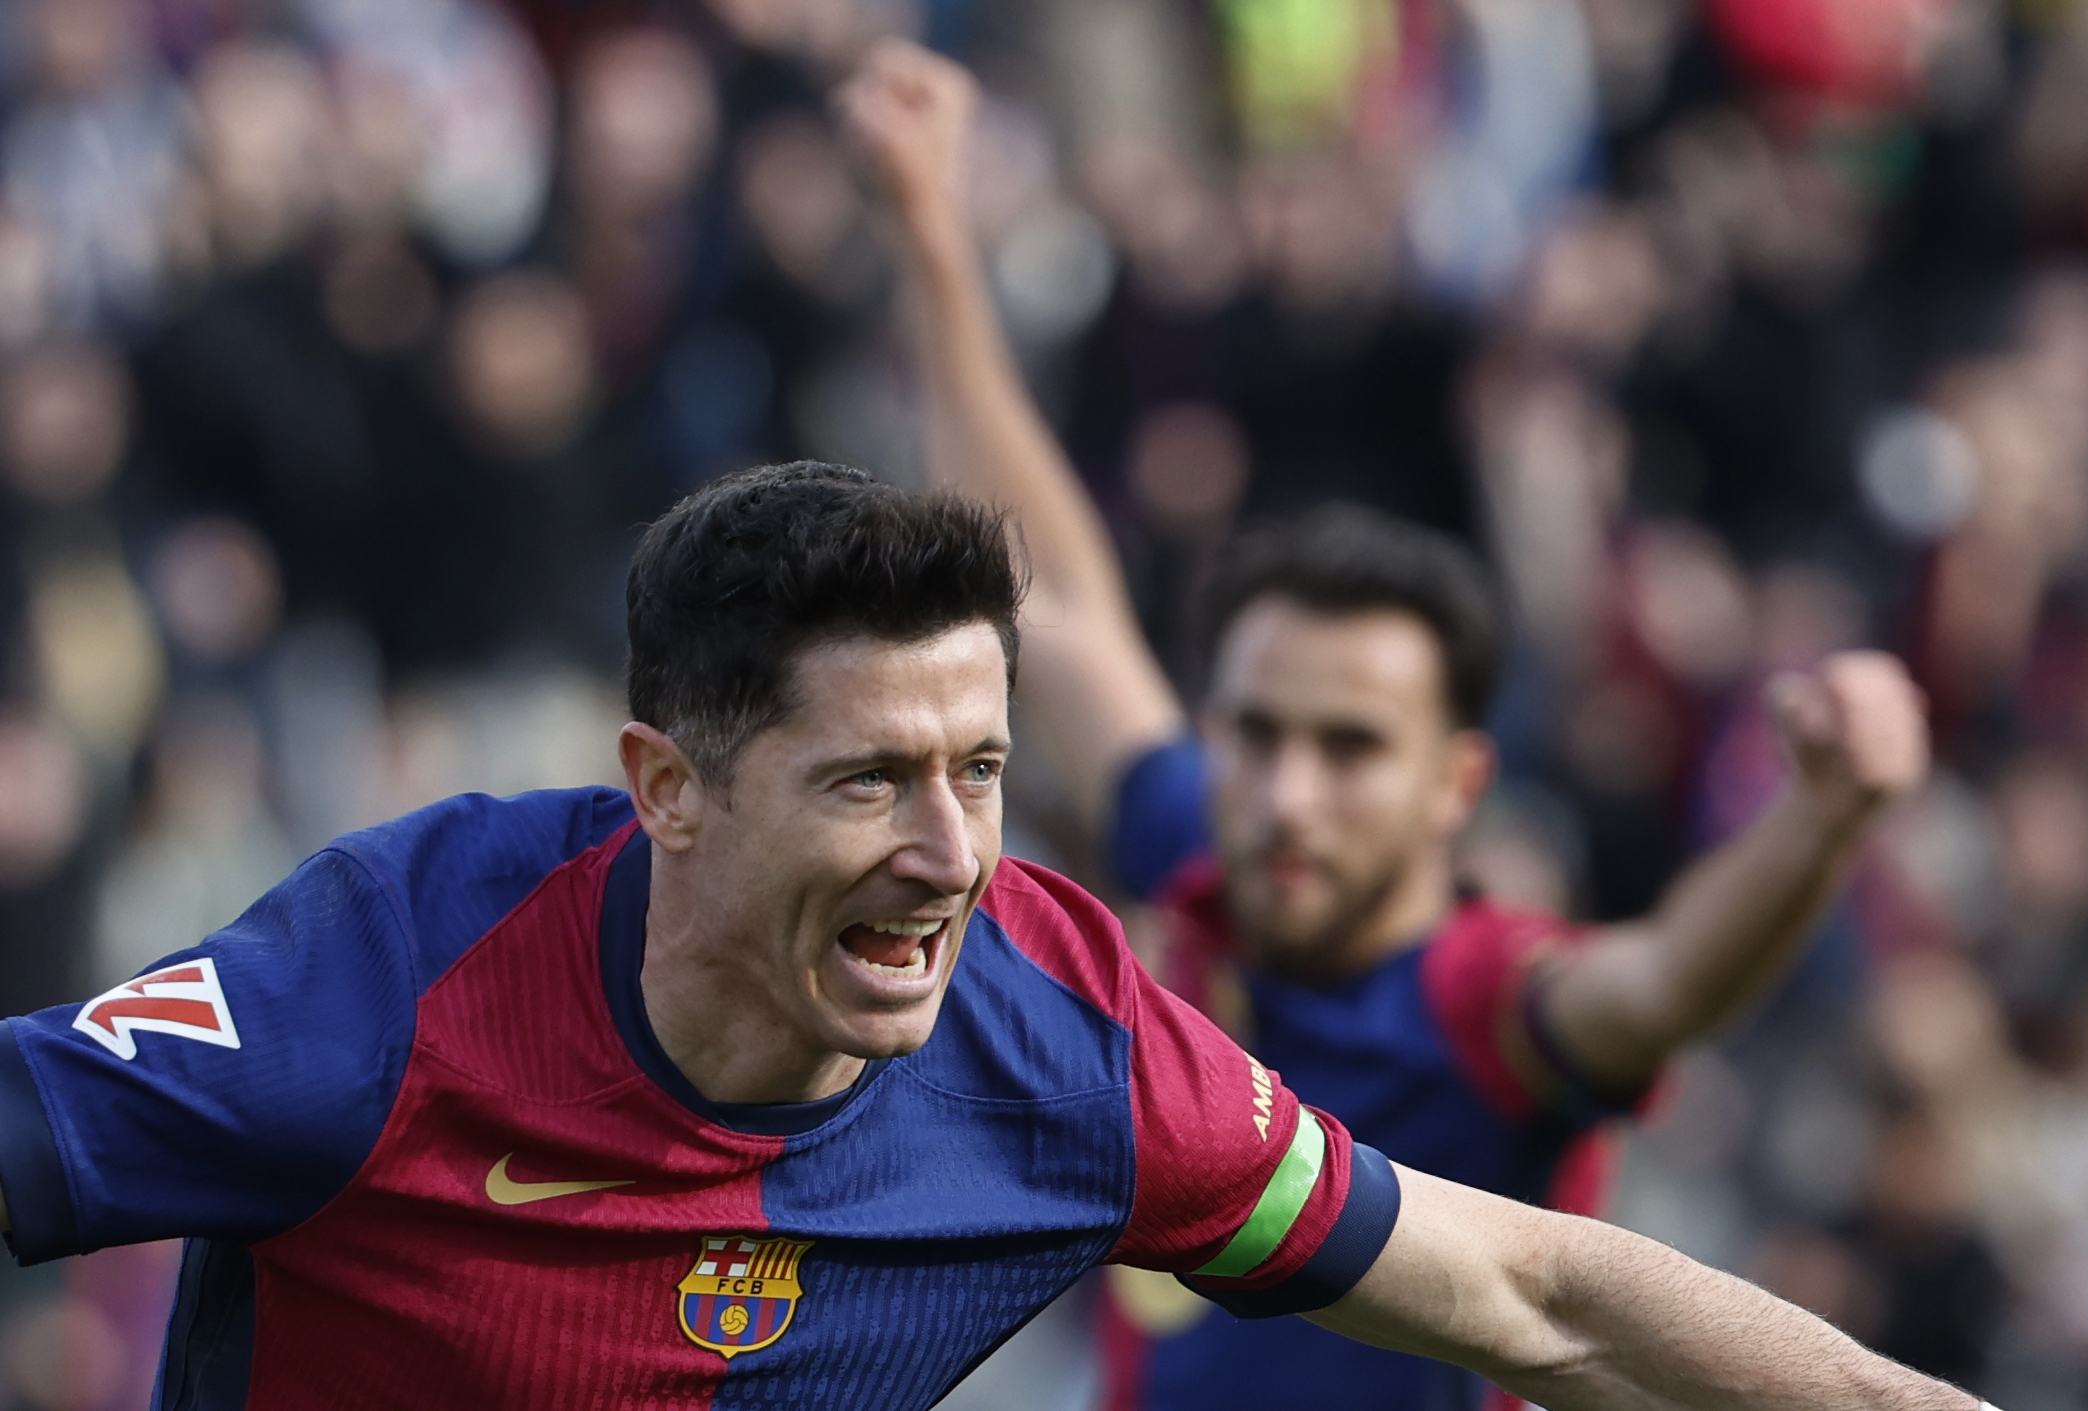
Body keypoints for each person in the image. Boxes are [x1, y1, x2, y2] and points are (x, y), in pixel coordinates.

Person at [0, 461, 1967, 1411]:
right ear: (665, 785)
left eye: (982, 769)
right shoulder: (374, 995)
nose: (948, 852)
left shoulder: (1064, 1038)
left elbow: (1534, 1294)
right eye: (867, 780)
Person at [840, 39, 1935, 1411]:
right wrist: (933, 234)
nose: (1286, 791)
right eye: (1255, 733)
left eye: (1351, 750)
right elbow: (1050, 598)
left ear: (1455, 783)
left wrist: (1823, 823)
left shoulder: (1481, 1005)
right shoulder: (1205, 848)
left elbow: (1666, 984)